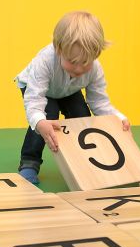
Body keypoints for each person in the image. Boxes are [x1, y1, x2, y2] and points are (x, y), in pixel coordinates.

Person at [15, 11, 130, 184]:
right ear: (59, 49)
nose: (78, 69)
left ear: (96, 55)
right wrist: (39, 121)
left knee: (81, 114)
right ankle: (29, 163)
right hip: (38, 89)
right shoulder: (45, 61)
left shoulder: (95, 69)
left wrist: (118, 118)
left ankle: (83, 159)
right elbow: (34, 100)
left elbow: (99, 102)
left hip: (67, 89)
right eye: (72, 61)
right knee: (48, 116)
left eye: (85, 63)